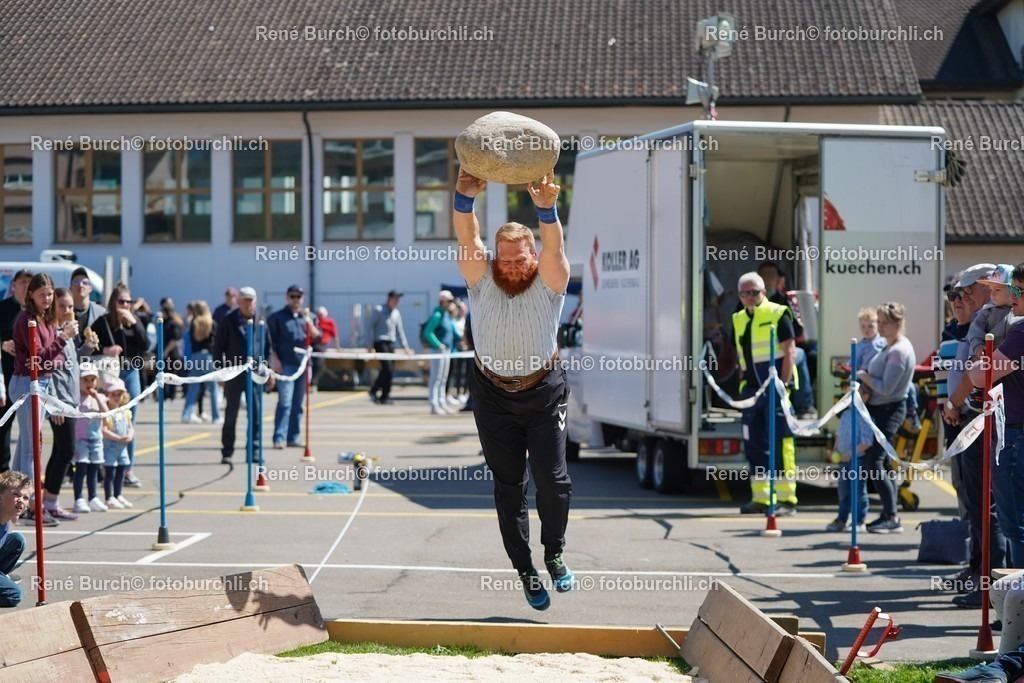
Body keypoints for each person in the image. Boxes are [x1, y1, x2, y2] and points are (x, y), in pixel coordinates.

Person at [454, 168, 574, 611]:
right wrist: (463, 197)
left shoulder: (550, 281)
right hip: (492, 396)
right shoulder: (481, 280)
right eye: (504, 259)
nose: (512, 266)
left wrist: (546, 209)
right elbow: (468, 239)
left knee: (553, 481)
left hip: (543, 393)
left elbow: (555, 246)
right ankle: (525, 569)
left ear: (533, 258)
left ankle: (555, 553)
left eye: (520, 259)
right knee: (509, 486)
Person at [945, 264, 1011, 606]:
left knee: (993, 509)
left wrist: (953, 402)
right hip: (972, 422)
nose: (963, 297)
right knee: (978, 506)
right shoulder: (977, 323)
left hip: (986, 423)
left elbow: (980, 374)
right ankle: (983, 578)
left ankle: (992, 590)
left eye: (972, 290)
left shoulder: (1003, 325)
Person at [970, 263, 1024, 568]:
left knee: (1016, 527)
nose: (1014, 297)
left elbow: (982, 376)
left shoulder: (1021, 332)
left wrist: (974, 365)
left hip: (1015, 434)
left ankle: (1018, 610)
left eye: (1019, 291)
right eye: (1012, 289)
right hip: (1015, 430)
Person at [732, 272, 798, 516]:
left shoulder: (778, 313)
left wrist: (784, 384)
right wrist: (742, 384)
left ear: (764, 292)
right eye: (745, 293)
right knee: (754, 445)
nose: (750, 297)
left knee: (780, 442)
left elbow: (789, 352)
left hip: (775, 389)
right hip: (751, 392)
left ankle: (787, 500)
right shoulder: (738, 318)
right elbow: (741, 354)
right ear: (739, 295)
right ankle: (760, 498)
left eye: (755, 292)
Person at [857, 302, 916, 534]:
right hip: (880, 409)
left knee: (875, 461)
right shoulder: (889, 345)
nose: (879, 327)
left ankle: (891, 516)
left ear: (898, 324)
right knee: (882, 463)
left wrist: (864, 377)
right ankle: (889, 514)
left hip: (889, 410)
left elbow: (888, 388)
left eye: (883, 323)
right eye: (878, 322)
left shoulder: (899, 351)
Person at [11, 274, 76, 480]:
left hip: (41, 382)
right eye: (42, 294)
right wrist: (63, 338)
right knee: (31, 447)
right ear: (31, 295)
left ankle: (15, 498)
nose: (47, 299)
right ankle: (29, 501)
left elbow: (52, 360)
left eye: (49, 294)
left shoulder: (46, 319)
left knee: (26, 443)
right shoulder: (27, 321)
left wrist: (51, 355)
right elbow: (40, 357)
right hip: (26, 383)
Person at [43, 287, 97, 522]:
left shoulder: (68, 332)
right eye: (62, 306)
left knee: (60, 450)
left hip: (70, 399)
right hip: (60, 401)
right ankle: (50, 502)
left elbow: (71, 361)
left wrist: (88, 347)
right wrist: (54, 403)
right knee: (66, 450)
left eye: (70, 307)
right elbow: (48, 369)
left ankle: (48, 500)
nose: (67, 311)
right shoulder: (53, 332)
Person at [92, 282, 147, 487]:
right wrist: (106, 350)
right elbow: (88, 347)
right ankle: (103, 466)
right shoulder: (103, 322)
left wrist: (134, 323)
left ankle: (127, 469)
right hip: (109, 373)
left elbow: (146, 345)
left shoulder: (135, 321)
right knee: (106, 420)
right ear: (113, 302)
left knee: (128, 418)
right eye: (121, 301)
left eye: (129, 302)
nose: (125, 305)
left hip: (130, 371)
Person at [213, 286, 273, 464]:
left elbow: (267, 347)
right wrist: (220, 373)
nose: (248, 304)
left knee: (255, 414)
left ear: (255, 302)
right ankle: (227, 451)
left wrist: (267, 368)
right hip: (233, 372)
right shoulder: (228, 320)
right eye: (244, 300)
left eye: (251, 300)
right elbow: (218, 348)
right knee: (231, 413)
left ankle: (253, 451)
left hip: (254, 374)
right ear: (238, 301)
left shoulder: (260, 320)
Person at [757, 262, 816, 419]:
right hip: (781, 354)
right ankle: (805, 404)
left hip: (755, 361)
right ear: (777, 281)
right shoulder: (782, 303)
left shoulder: (746, 302)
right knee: (802, 354)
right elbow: (797, 331)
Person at [267, 285, 319, 448]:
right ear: (287, 297)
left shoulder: (309, 316)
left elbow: (318, 336)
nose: (296, 299)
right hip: (286, 364)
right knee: (285, 401)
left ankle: (293, 436)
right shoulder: (277, 317)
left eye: (299, 296)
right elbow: (270, 343)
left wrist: (309, 323)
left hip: (303, 363)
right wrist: (275, 361)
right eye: (292, 296)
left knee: (298, 403)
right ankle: (279, 437)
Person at [826, 385, 872, 533]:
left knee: (858, 491)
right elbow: (839, 434)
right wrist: (835, 450)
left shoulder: (865, 417)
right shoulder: (846, 414)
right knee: (843, 491)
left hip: (856, 460)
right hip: (843, 460)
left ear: (865, 397)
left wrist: (851, 453)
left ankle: (859, 521)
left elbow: (866, 442)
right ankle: (842, 519)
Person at [0, 269, 32, 473]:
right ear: (14, 285)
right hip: (6, 376)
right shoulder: (3, 308)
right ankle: (3, 472)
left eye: (30, 281)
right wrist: (2, 344)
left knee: (29, 430)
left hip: (29, 378)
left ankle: (24, 473)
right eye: (22, 281)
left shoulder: (35, 311)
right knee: (3, 426)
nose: (26, 285)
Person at [72, 363, 108, 513]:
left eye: (92, 380)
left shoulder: (100, 397)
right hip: (81, 440)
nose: (89, 383)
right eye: (85, 380)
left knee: (94, 470)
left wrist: (96, 398)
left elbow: (106, 413)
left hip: (96, 440)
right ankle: (79, 498)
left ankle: (93, 497)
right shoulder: (76, 398)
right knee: (81, 469)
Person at [365, 292, 411, 405]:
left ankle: (385, 396)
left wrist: (405, 347)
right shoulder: (379, 310)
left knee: (390, 370)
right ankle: (374, 390)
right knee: (387, 368)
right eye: (395, 299)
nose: (397, 302)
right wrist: (369, 343)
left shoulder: (396, 313)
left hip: (391, 343)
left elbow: (400, 330)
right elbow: (370, 326)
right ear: (389, 299)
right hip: (380, 342)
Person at [181, 300, 220, 424]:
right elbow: (216, 341)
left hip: (196, 356)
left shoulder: (194, 323)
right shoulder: (212, 323)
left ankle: (187, 414)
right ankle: (216, 416)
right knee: (213, 387)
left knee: (194, 386)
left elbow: (191, 342)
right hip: (208, 356)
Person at [100, 377, 133, 510]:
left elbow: (130, 426)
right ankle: (109, 497)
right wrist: (118, 438)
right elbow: (104, 430)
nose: (117, 397)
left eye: (119, 394)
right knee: (110, 474)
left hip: (122, 448)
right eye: (113, 394)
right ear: (107, 395)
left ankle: (118, 494)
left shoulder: (125, 411)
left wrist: (130, 436)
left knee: (121, 472)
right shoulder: (107, 413)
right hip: (111, 447)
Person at [423, 290, 457, 415]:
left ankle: (442, 403)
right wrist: (438, 345)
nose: (451, 303)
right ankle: (434, 404)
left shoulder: (445, 314)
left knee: (443, 378)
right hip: (438, 351)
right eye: (449, 301)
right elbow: (428, 332)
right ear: (442, 301)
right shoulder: (437, 315)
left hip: (446, 350)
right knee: (435, 379)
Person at [0, 470, 30, 607]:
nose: (21, 500)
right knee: (14, 594)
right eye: (16, 495)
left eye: (25, 498)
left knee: (17, 540)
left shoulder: (8, 518)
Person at [69, 266, 106, 359]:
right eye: (76, 282)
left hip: (95, 363)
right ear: (70, 288)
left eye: (85, 282)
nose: (80, 285)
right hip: (70, 362)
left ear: (90, 288)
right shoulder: (64, 312)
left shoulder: (101, 313)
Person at [160, 298, 184, 401]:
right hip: (165, 353)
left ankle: (171, 395)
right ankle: (165, 395)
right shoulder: (164, 322)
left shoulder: (173, 323)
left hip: (171, 354)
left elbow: (175, 339)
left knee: (172, 375)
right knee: (163, 375)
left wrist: (165, 351)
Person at [312, 306, 341, 390]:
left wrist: (337, 347)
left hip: (321, 345)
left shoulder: (329, 322)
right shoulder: (314, 321)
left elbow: (334, 335)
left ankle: (314, 383)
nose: (319, 316)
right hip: (311, 345)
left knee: (319, 364)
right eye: (318, 314)